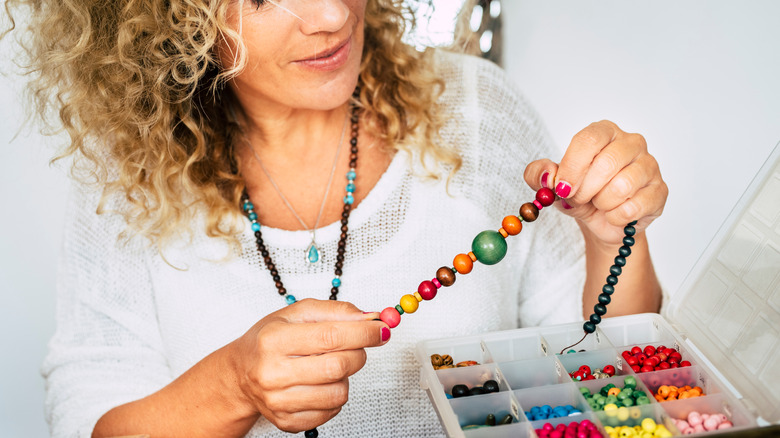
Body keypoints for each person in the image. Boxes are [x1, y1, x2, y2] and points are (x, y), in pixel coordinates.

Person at [11, 0, 667, 436]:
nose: (329, 15)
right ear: (169, 18)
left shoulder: (475, 107)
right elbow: (91, 418)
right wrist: (235, 383)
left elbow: (616, 388)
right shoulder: (129, 175)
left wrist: (613, 243)